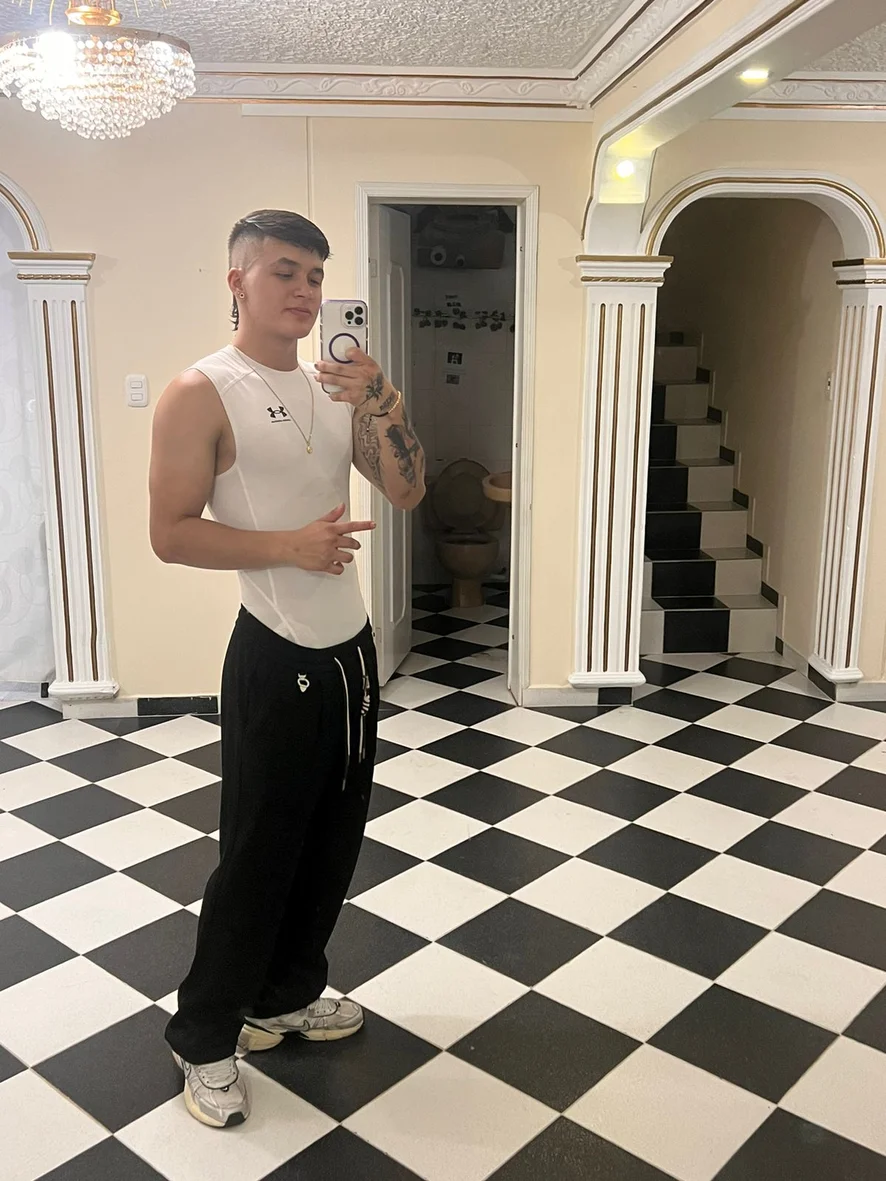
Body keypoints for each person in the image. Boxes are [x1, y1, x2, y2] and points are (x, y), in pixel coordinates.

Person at [149, 208, 425, 1127]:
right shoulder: (201, 390)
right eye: (284, 272)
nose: (305, 291)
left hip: (352, 652)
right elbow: (170, 533)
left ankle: (284, 993)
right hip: (274, 652)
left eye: (315, 275)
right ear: (238, 280)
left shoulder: (333, 389)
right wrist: (286, 547)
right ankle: (204, 1036)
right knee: (258, 855)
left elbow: (409, 487)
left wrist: (381, 396)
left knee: (333, 841)